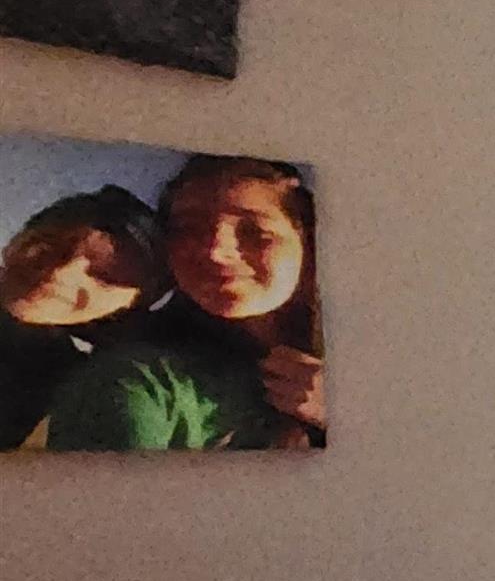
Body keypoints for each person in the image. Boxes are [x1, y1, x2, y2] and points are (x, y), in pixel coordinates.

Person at [46, 155, 325, 451]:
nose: (215, 251)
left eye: (254, 231)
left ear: (308, 244)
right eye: (188, 229)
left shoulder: (356, 357)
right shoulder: (137, 385)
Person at [0, 184, 169, 448]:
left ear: (122, 311)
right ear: (18, 240)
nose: (59, 273)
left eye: (105, 276)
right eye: (53, 246)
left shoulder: (70, 387)